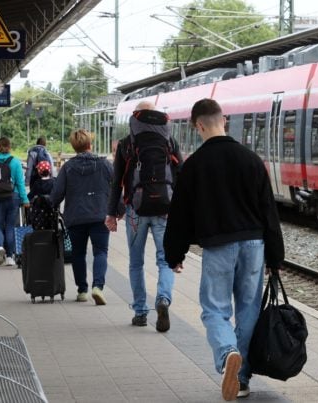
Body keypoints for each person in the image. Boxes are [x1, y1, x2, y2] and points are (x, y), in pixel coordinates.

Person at [163, 98, 284, 401]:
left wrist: (174, 254)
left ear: (198, 125)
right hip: (254, 245)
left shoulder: (194, 165)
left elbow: (180, 215)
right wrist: (275, 256)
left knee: (215, 310)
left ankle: (227, 352)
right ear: (224, 120)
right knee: (249, 310)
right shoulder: (251, 159)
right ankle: (241, 378)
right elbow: (269, 211)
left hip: (219, 246)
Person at [105, 101, 183, 332]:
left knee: (136, 262)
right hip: (164, 210)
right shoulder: (169, 141)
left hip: (135, 212)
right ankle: (163, 299)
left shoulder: (126, 144)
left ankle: (140, 312)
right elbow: (181, 176)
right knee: (165, 260)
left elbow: (116, 181)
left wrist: (111, 213)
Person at [51, 129, 113, 304]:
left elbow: (57, 194)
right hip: (100, 215)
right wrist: (118, 210)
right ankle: (98, 287)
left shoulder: (68, 167)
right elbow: (116, 188)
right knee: (101, 252)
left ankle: (82, 291)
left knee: (78, 253)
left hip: (75, 217)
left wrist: (50, 206)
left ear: (74, 146)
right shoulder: (104, 164)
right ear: (90, 145)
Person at [0, 137, 30, 266]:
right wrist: (25, 199)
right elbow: (20, 183)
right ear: (9, 147)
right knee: (10, 226)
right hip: (13, 196)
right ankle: (10, 257)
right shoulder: (15, 162)